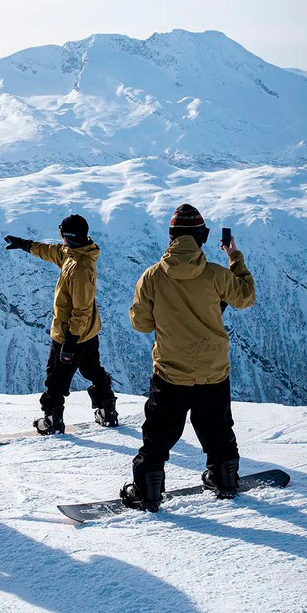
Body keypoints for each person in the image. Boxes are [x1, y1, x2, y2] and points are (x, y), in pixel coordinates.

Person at [120, 204, 255, 512]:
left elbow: (141, 324)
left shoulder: (152, 277)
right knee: (218, 428)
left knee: (158, 434)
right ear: (201, 238)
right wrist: (234, 257)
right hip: (213, 370)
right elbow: (246, 297)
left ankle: (148, 490)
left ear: (171, 237)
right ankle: (224, 478)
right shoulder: (216, 275)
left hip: (171, 372)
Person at [4, 214, 118, 434]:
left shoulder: (80, 267)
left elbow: (82, 309)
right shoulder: (74, 254)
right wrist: (26, 245)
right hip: (88, 332)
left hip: (71, 334)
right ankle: (107, 409)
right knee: (92, 369)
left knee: (55, 378)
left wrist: (70, 340)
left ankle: (52, 421)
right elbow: (51, 251)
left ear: (66, 235)